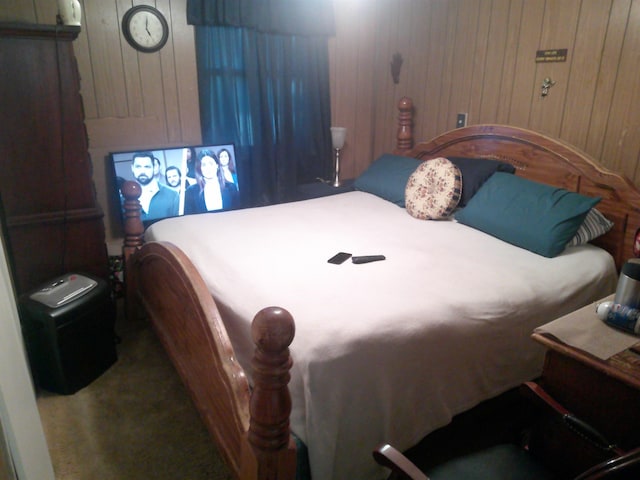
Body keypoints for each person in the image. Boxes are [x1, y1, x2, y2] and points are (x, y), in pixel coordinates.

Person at [184, 150, 239, 214]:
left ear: (217, 165)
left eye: (211, 163)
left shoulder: (231, 187)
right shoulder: (191, 191)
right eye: (204, 165)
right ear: (199, 168)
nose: (208, 168)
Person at [131, 152, 179, 222]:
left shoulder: (173, 195)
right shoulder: (123, 198)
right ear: (132, 168)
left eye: (147, 167)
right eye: (138, 166)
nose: (142, 171)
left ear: (154, 168)